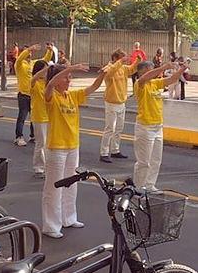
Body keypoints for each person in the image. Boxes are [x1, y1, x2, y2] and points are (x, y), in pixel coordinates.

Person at [41, 63, 108, 238]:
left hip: (72, 146)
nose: (69, 80)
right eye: (66, 77)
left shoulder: (72, 96)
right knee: (54, 187)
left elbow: (93, 87)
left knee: (71, 184)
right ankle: (51, 226)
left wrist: (102, 74)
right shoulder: (51, 96)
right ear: (56, 80)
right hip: (56, 148)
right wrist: (70, 68)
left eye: (70, 77)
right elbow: (48, 85)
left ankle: (68, 218)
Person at [133, 60, 188, 191]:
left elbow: (171, 79)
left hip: (157, 126)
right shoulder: (140, 84)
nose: (155, 73)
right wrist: (163, 67)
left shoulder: (154, 84)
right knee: (144, 162)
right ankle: (139, 186)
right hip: (145, 127)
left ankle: (150, 184)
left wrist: (181, 69)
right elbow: (144, 78)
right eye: (151, 70)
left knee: (156, 159)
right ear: (143, 71)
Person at [100, 50, 139, 163]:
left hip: (121, 102)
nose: (125, 59)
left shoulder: (123, 68)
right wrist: (120, 62)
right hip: (111, 102)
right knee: (109, 129)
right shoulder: (109, 67)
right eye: (122, 57)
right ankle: (104, 152)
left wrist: (138, 60)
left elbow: (132, 69)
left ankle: (115, 150)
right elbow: (110, 73)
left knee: (119, 128)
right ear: (116, 58)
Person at [14, 44, 40, 146]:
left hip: (33, 94)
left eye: (30, 52)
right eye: (26, 51)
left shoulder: (33, 63)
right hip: (23, 94)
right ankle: (18, 137)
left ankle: (33, 135)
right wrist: (28, 49)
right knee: (22, 117)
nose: (29, 53)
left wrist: (50, 51)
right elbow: (19, 59)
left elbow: (43, 61)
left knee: (34, 117)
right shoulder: (19, 64)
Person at [29, 60, 50, 179]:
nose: (46, 72)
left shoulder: (47, 83)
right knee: (41, 143)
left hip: (49, 116)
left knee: (48, 144)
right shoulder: (34, 82)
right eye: (44, 69)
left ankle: (47, 166)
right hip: (39, 116)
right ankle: (38, 167)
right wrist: (45, 69)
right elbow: (33, 78)